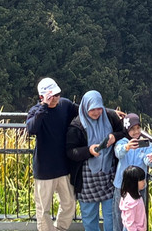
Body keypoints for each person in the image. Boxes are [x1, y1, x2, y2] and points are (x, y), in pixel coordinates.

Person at [67, 90, 127, 231]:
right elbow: (70, 151)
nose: (96, 112)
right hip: (87, 180)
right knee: (89, 217)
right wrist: (88, 151)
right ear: (85, 108)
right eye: (92, 109)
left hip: (108, 176)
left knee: (111, 215)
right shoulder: (77, 126)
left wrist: (114, 137)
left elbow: (125, 133)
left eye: (99, 108)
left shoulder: (110, 117)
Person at [26, 77, 79, 231]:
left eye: (57, 94)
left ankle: (60, 228)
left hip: (62, 166)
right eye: (52, 96)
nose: (56, 98)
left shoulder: (65, 105)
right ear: (42, 96)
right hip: (44, 169)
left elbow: (85, 110)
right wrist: (44, 106)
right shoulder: (36, 111)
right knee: (43, 209)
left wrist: (109, 112)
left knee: (69, 203)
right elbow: (31, 129)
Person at [112, 114, 152, 231]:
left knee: (139, 216)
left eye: (138, 128)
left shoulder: (146, 144)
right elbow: (118, 153)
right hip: (122, 186)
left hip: (139, 186)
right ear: (127, 129)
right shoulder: (122, 142)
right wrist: (127, 147)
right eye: (132, 129)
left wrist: (150, 159)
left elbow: (150, 162)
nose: (136, 132)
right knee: (119, 217)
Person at [119, 166, 147, 231]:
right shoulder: (131, 201)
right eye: (141, 180)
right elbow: (130, 223)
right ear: (133, 183)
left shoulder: (129, 195)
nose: (144, 182)